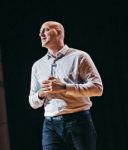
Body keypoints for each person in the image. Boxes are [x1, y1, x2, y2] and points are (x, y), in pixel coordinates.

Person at [29, 21, 103, 150]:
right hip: (50, 125)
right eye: (40, 31)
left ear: (59, 32)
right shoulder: (37, 65)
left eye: (45, 30)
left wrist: (64, 88)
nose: (40, 34)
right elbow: (33, 102)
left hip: (78, 121)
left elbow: (97, 88)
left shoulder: (79, 57)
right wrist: (40, 94)